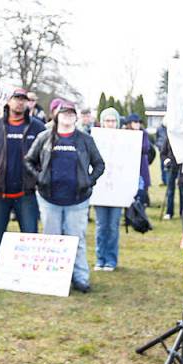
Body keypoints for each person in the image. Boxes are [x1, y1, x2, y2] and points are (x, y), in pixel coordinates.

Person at [25, 100, 104, 292]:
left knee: (76, 239)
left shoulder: (85, 140)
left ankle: (80, 278)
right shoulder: (45, 137)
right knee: (52, 241)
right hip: (49, 199)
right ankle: (53, 279)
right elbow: (29, 160)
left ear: (76, 117)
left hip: (78, 200)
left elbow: (99, 164)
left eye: (71, 114)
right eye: (64, 113)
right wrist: (39, 178)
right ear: (56, 116)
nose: (67, 117)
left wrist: (88, 180)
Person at [0, 88, 45, 270]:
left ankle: (32, 267)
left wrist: (38, 178)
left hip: (26, 191)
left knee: (30, 233)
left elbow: (45, 157)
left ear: (28, 103)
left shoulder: (38, 127)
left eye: (23, 99)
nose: (20, 102)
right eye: (16, 98)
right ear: (8, 101)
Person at [92, 107, 123, 271]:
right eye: (107, 121)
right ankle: (100, 258)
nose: (110, 124)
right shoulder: (95, 139)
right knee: (101, 226)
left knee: (113, 226)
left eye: (113, 121)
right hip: (101, 191)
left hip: (117, 192)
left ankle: (111, 259)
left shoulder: (125, 140)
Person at [125, 113, 155, 205]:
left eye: (139, 122)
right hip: (128, 165)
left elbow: (146, 148)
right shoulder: (125, 133)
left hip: (141, 165)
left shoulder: (144, 133)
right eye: (135, 122)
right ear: (129, 123)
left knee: (142, 188)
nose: (137, 124)